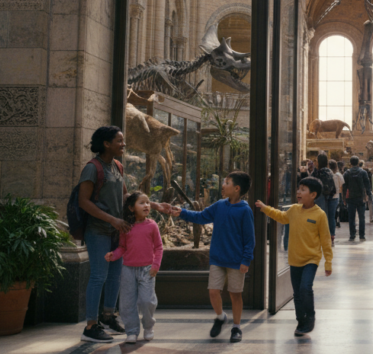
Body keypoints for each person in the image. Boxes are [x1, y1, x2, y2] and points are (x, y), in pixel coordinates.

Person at [78, 126, 170, 343]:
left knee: (115, 276)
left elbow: (126, 197)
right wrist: (113, 220)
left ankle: (108, 316)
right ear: (106, 144)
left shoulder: (117, 166)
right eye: (119, 141)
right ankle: (90, 326)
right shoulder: (92, 168)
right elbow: (84, 201)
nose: (124, 144)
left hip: (118, 231)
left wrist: (154, 205)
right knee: (99, 276)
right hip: (99, 231)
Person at [174, 171, 254, 343]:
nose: (223, 185)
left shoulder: (245, 210)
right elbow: (201, 217)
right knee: (213, 292)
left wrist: (246, 260)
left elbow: (249, 239)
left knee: (235, 294)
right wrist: (181, 212)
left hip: (236, 261)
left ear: (237, 188)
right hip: (218, 258)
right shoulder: (219, 205)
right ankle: (220, 317)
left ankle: (236, 327)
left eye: (226, 182)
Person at [257, 178, 334, 336]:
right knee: (297, 294)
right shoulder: (293, 210)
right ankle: (301, 321)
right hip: (294, 259)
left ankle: (310, 317)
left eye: (303, 189)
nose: (298, 192)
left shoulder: (320, 215)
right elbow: (281, 216)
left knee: (305, 288)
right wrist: (265, 208)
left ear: (313, 194)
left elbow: (326, 240)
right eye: (298, 188)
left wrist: (328, 262)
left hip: (311, 259)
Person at [105, 192, 162, 343]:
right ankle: (131, 331)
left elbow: (159, 247)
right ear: (131, 208)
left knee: (147, 301)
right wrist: (114, 255)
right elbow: (122, 247)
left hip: (147, 269)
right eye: (142, 203)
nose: (146, 205)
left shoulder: (152, 225)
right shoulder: (126, 227)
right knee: (127, 303)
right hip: (128, 269)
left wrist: (156, 265)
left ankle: (148, 327)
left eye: (148, 202)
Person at [343, 156, 370, 241]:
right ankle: (362, 235)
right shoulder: (363, 172)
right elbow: (367, 185)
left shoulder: (346, 173)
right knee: (362, 217)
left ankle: (352, 235)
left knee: (351, 217)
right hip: (360, 197)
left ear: (350, 163)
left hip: (350, 198)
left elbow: (344, 187)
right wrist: (368, 195)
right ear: (358, 163)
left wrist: (344, 198)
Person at [314, 155, 339, 244]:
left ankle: (322, 236)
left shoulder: (319, 172)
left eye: (316, 161)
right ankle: (331, 236)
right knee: (331, 217)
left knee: (322, 217)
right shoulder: (330, 172)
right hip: (332, 196)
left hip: (322, 196)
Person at [328, 160, 345, 238]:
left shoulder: (327, 174)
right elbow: (341, 188)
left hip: (326, 197)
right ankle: (332, 234)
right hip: (335, 197)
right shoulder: (338, 175)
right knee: (332, 216)